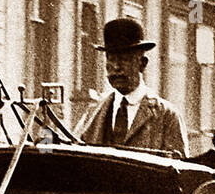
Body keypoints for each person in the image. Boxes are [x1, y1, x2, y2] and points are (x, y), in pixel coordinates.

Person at [75, 18, 188, 159]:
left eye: (124, 59)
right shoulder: (94, 112)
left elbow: (179, 174)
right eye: (111, 59)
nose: (116, 67)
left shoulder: (167, 117)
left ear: (142, 64)